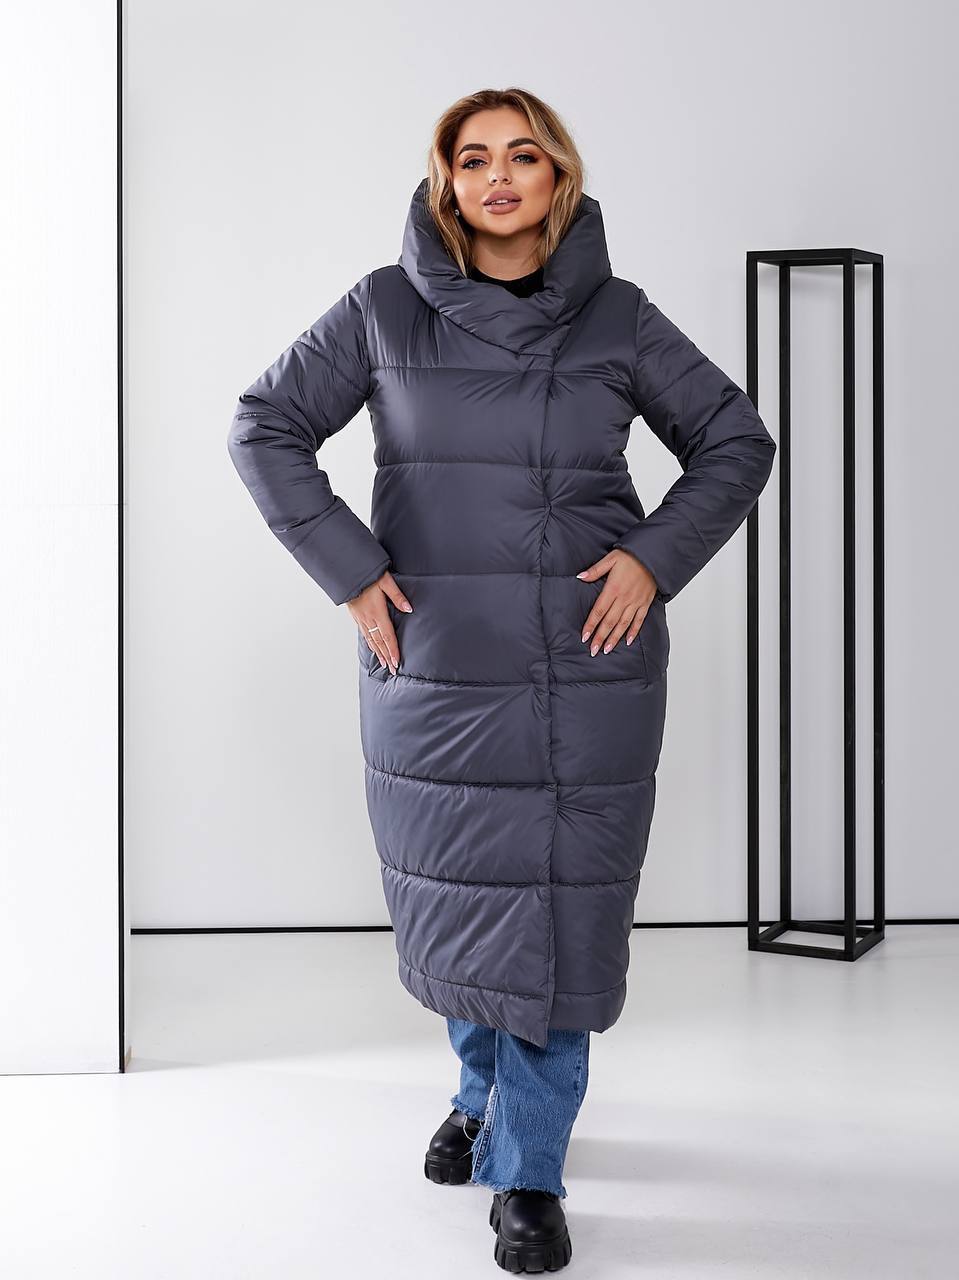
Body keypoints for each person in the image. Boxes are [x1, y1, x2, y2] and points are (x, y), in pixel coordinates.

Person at [227, 87, 777, 1273]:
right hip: (430, 658)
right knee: (464, 900)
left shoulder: (618, 317)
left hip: (584, 662)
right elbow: (264, 422)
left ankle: (528, 1172)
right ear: (446, 182)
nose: (496, 176)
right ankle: (477, 1094)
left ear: (555, 175)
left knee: (557, 917)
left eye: (520, 155)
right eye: (471, 157)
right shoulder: (381, 307)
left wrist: (651, 557)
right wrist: (350, 572)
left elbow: (734, 439)